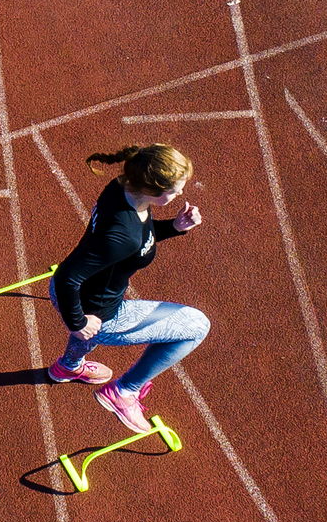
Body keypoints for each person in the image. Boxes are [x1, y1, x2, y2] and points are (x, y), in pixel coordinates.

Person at [47, 144, 209, 434]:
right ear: (153, 188)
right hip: (97, 312)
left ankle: (69, 366)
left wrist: (173, 226)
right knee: (197, 326)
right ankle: (123, 392)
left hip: (87, 296)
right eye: (175, 189)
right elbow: (66, 277)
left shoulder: (123, 187)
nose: (181, 194)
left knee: (93, 320)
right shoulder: (122, 237)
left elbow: (140, 233)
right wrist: (78, 323)